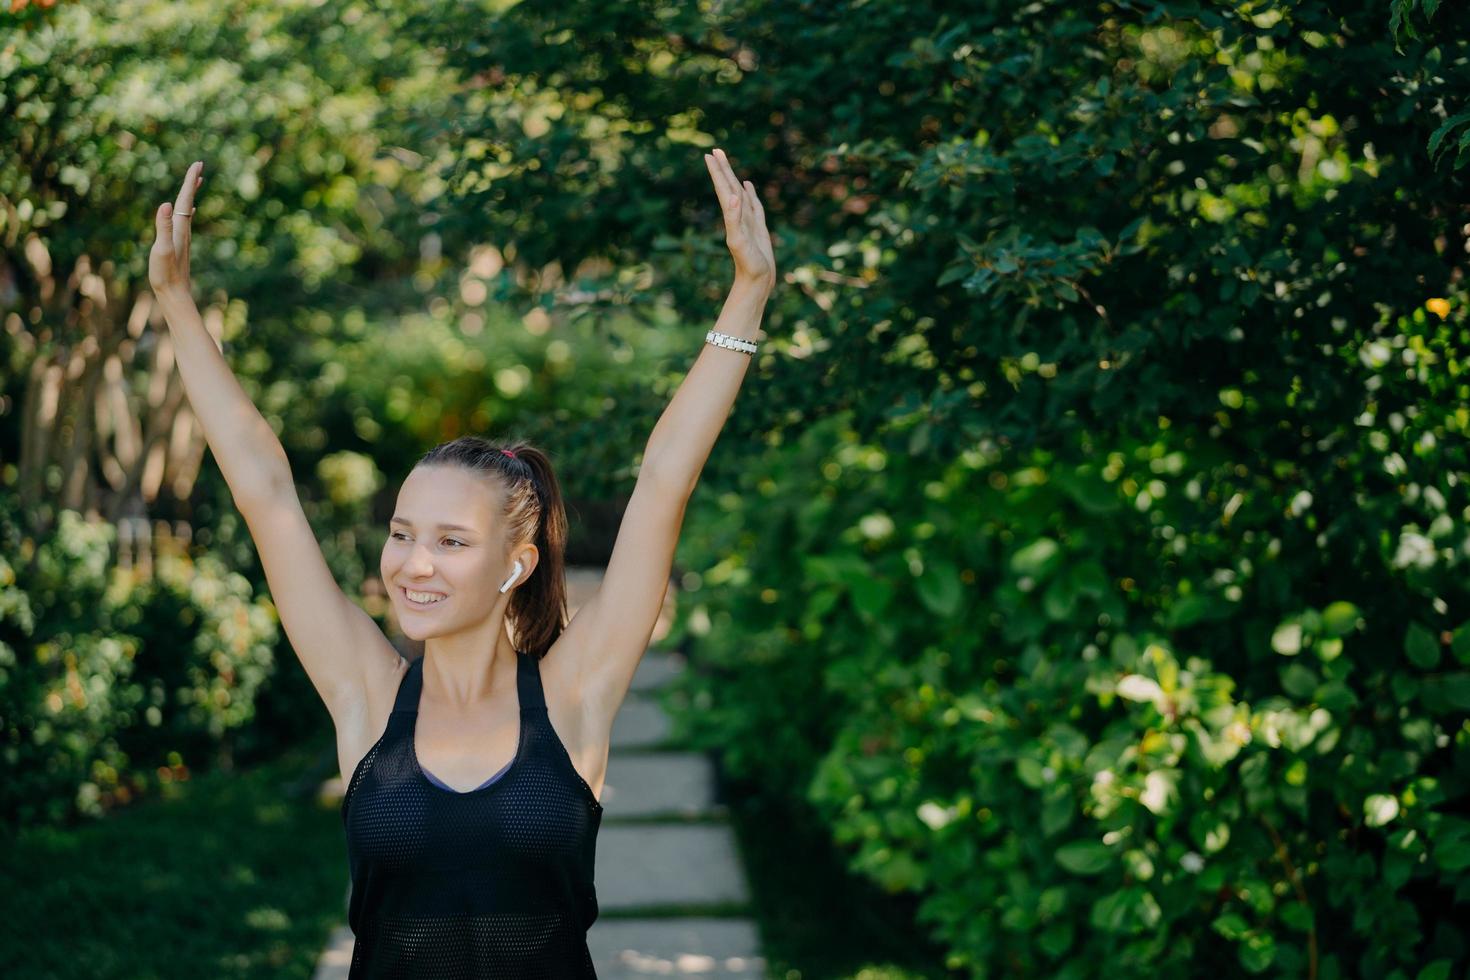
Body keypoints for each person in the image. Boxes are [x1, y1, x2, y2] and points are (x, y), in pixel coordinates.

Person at [147, 149, 775, 977]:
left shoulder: (573, 696)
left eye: (451, 542)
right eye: (403, 533)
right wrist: (176, 302)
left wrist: (749, 292)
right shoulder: (367, 695)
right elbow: (265, 489)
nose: (412, 565)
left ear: (516, 564)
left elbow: (663, 483)